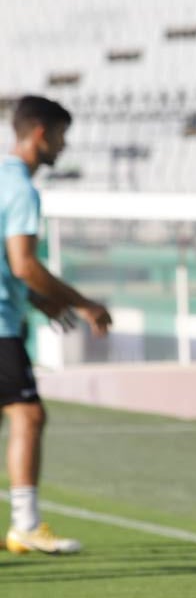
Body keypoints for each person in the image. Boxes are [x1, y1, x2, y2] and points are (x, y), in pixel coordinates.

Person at [2, 96, 112, 555]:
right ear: (42, 133)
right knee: (27, 414)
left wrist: (38, 302)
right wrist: (82, 303)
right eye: (62, 137)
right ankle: (25, 523)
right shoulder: (22, 188)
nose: (64, 148)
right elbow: (23, 264)